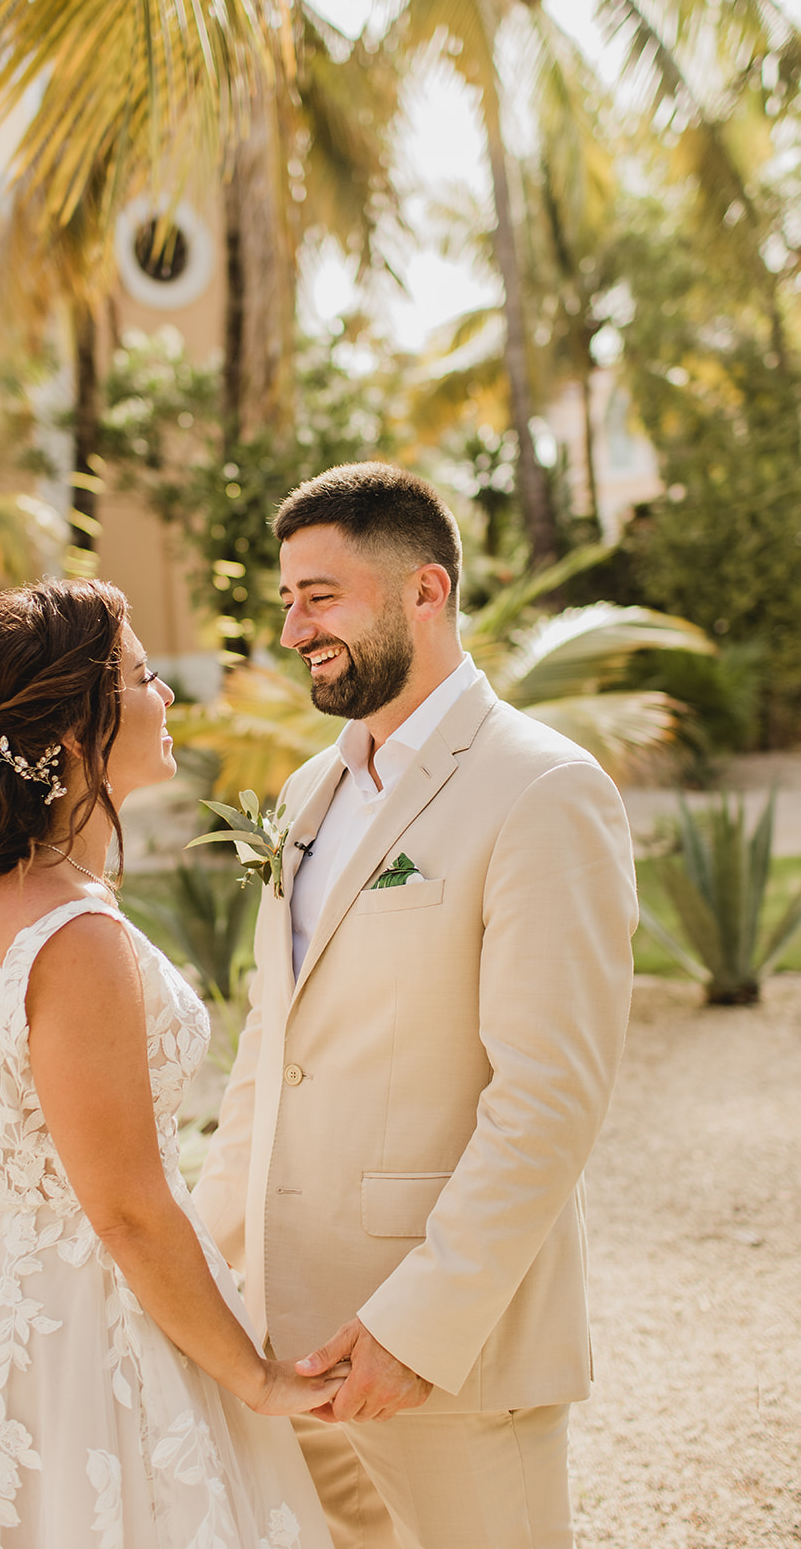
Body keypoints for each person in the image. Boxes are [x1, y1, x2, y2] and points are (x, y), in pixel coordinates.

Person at [193, 462, 639, 1549]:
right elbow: (271, 1047)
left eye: (320, 595)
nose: (292, 627)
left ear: (424, 592)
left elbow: (547, 1099)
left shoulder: (542, 789)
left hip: (445, 1356)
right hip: (282, 1347)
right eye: (286, 597)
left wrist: (416, 1327)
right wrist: (208, 1269)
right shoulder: (306, 794)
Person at [0, 579, 342, 1549]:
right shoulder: (72, 933)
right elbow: (123, 1204)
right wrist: (258, 1378)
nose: (166, 698)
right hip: (92, 1324)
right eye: (145, 676)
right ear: (75, 732)